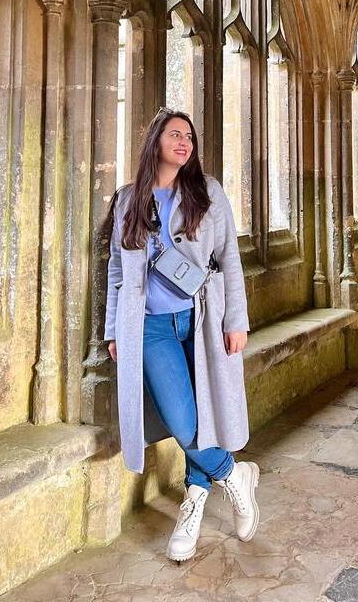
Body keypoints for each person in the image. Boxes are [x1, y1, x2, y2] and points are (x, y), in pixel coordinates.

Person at [104, 107, 259, 562]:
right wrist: (115, 329)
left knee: (205, 413)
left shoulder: (208, 194)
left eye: (189, 137)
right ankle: (233, 475)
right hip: (150, 327)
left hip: (203, 319)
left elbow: (230, 258)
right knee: (183, 419)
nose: (184, 142)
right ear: (155, 141)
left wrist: (237, 320)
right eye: (175, 134)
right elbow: (117, 270)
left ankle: (194, 498)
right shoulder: (129, 200)